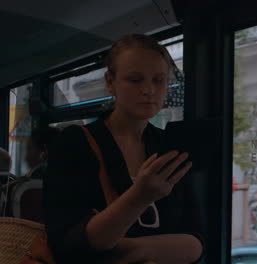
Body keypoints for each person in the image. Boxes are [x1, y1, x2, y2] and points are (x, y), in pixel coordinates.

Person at [43, 34, 205, 264]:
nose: (149, 90)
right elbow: (69, 244)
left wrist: (132, 248)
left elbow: (196, 242)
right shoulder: (74, 143)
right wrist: (139, 197)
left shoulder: (168, 145)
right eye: (135, 80)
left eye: (158, 80)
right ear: (110, 82)